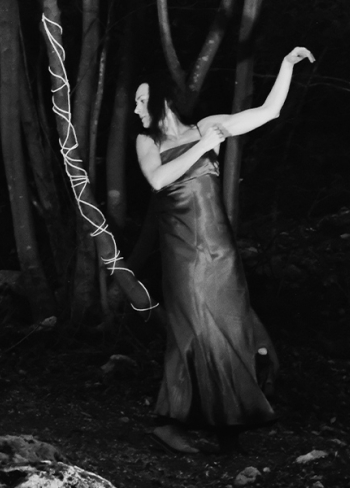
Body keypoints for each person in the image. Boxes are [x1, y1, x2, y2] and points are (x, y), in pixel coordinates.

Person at [134, 47, 315, 454]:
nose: (136, 108)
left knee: (232, 327)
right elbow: (159, 179)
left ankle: (229, 424)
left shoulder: (206, 126)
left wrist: (285, 65)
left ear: (162, 100)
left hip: (220, 251)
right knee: (194, 329)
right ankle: (171, 422)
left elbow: (268, 112)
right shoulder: (148, 141)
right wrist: (203, 147)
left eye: (142, 100)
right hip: (184, 254)